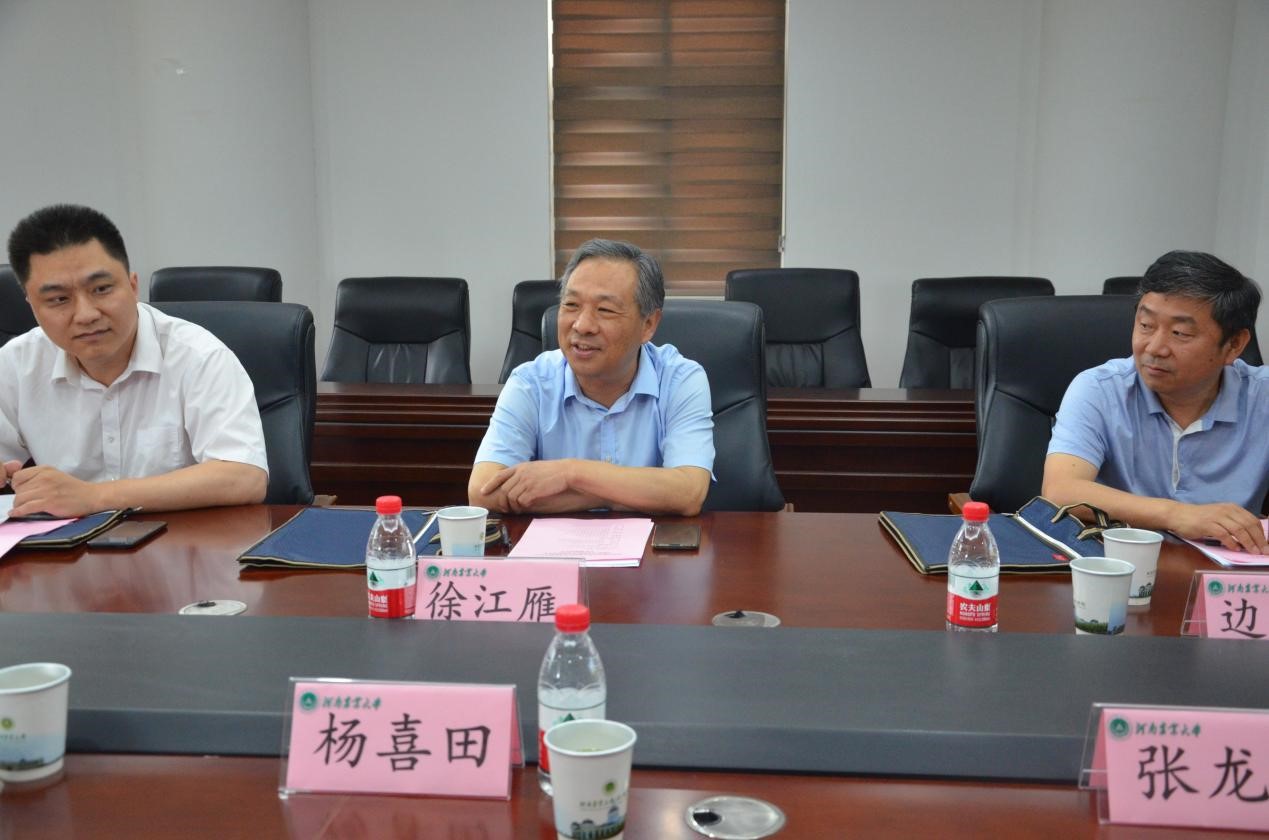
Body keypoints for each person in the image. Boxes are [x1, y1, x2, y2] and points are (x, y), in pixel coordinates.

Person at [1, 204, 268, 517]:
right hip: (67, 546)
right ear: (32, 305)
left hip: (182, 541)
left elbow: (244, 477)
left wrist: (94, 497)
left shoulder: (199, 356)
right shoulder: (16, 365)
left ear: (132, 285)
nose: (86, 315)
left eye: (102, 289)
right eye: (59, 299)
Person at [1043, 250, 1268, 554]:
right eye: (1146, 325)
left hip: (1229, 572)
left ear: (1234, 344)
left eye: (1180, 333)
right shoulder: (1099, 389)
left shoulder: (1262, 397)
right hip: (1120, 563)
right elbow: (1061, 491)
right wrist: (1178, 515)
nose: (1155, 348)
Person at [468, 238, 714, 515]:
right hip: (555, 544)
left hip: (655, 543)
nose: (582, 325)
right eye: (571, 305)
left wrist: (571, 473)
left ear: (648, 324)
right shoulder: (530, 383)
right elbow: (483, 491)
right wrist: (614, 494)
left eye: (605, 310)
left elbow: (688, 492)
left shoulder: (681, 379)